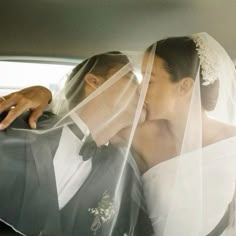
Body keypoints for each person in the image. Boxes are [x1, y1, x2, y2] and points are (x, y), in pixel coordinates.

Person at [0, 51, 152, 236]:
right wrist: (43, 93)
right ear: (94, 82)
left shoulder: (122, 172)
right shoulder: (17, 124)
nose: (141, 89)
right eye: (130, 78)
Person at [129, 33, 236, 235]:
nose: (138, 90)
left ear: (184, 86)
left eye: (149, 81)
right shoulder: (138, 137)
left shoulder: (233, 143)